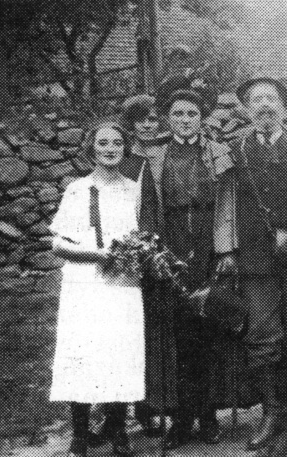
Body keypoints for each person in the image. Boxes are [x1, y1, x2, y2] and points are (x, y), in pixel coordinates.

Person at [215, 76, 287, 451]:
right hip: (255, 255)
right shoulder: (236, 149)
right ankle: (270, 412)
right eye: (256, 100)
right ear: (246, 109)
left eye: (271, 99)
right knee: (262, 332)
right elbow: (225, 202)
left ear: (283, 107)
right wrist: (227, 250)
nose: (264, 106)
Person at [146, 82, 235, 450]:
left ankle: (209, 414)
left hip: (210, 245)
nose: (185, 120)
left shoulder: (218, 153)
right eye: (178, 114)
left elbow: (229, 203)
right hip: (172, 249)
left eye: (192, 114)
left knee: (210, 331)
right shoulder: (154, 157)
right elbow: (148, 206)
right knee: (180, 336)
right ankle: (182, 418)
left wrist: (226, 250)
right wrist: (155, 252)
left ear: (202, 118)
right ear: (168, 118)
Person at [49, 123, 143, 457]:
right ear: (92, 148)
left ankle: (118, 430)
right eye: (103, 143)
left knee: (120, 353)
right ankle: (79, 434)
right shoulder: (78, 189)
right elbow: (58, 244)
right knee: (82, 353)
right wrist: (97, 255)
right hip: (84, 285)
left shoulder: (135, 190)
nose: (110, 148)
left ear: (125, 148)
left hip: (123, 284)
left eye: (117, 143)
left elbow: (144, 237)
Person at [118, 94, 175, 438]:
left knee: (164, 332)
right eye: (141, 120)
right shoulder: (124, 159)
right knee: (135, 331)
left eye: (154, 119)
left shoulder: (171, 152)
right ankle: (133, 409)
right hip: (137, 251)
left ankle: (161, 405)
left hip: (173, 244)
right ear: (131, 124)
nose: (148, 125)